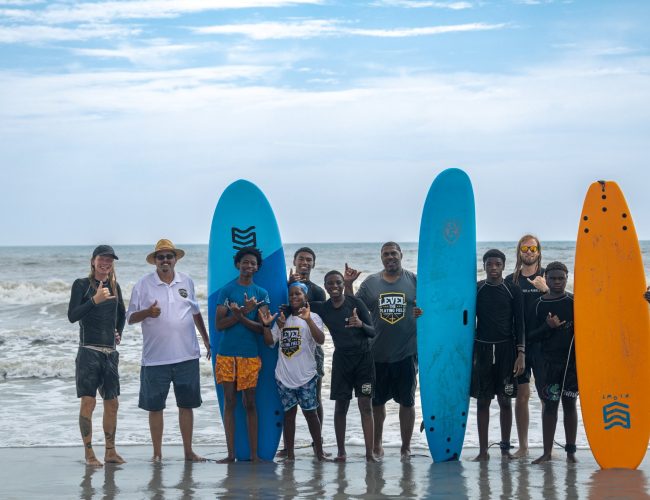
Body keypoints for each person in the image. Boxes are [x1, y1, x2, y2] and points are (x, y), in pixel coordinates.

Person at [126, 239, 210, 462]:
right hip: (155, 359)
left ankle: (188, 452)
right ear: (155, 261)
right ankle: (157, 454)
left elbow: (195, 312)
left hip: (187, 356)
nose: (165, 260)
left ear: (175, 259)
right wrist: (147, 313)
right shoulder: (143, 285)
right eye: (160, 257)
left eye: (169, 256)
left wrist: (207, 340)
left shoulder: (187, 281)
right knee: (156, 408)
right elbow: (130, 318)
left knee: (187, 406)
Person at [344, 242, 421, 461]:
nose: (390, 257)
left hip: (406, 354)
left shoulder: (414, 281)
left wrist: (421, 312)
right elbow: (353, 308)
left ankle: (405, 448)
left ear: (401, 255)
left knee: (407, 403)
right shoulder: (371, 283)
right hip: (376, 354)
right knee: (377, 403)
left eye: (393, 253)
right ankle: (377, 445)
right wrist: (348, 285)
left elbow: (429, 307)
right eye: (386, 254)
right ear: (381, 258)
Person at [68, 244, 126, 467]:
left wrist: (118, 332)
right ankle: (89, 453)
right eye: (102, 259)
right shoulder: (81, 285)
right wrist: (94, 300)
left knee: (112, 404)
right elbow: (73, 316)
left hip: (110, 353)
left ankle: (110, 451)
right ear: (93, 261)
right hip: (88, 351)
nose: (106, 263)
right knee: (89, 402)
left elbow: (121, 313)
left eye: (110, 260)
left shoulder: (115, 286)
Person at [310, 270, 377, 462]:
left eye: (338, 283)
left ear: (342, 284)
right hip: (341, 362)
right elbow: (295, 305)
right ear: (325, 286)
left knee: (366, 405)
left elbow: (372, 332)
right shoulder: (323, 308)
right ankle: (341, 452)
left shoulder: (356, 303)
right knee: (341, 406)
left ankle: (369, 453)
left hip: (364, 360)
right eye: (330, 283)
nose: (334, 286)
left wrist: (360, 324)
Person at [259, 281, 328, 461]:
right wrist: (267, 326)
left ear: (305, 296)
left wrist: (308, 320)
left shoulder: (314, 317)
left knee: (311, 414)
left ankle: (319, 452)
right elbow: (270, 342)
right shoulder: (283, 318)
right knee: (289, 416)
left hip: (306, 375)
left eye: (298, 294)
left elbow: (320, 340)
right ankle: (290, 455)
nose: (294, 297)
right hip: (284, 376)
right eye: (291, 295)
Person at [214, 247, 270, 463]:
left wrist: (242, 313)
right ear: (238, 264)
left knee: (250, 403)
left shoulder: (261, 294)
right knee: (229, 402)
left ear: (257, 267)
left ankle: (254, 455)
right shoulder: (226, 291)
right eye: (245, 262)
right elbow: (219, 325)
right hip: (226, 354)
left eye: (253, 263)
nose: (249, 266)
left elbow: (261, 328)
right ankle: (230, 454)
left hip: (249, 355)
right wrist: (242, 313)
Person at [471, 249, 525, 461]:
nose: (493, 268)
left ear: (503, 266)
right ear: (484, 266)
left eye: (498, 264)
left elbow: (520, 323)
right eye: (489, 264)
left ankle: (504, 449)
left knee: (505, 400)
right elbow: (466, 320)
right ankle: (483, 451)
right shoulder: (477, 289)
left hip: (506, 350)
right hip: (482, 349)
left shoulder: (513, 290)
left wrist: (520, 353)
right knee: (483, 401)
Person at [278, 247, 328, 457]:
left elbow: (321, 318)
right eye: (301, 259)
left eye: (309, 260)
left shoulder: (317, 291)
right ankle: (287, 447)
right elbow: (283, 309)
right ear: (295, 261)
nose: (305, 262)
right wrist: (289, 284)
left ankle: (318, 444)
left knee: (314, 398)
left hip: (311, 345)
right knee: (289, 407)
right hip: (290, 342)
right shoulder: (286, 286)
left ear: (313, 264)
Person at [527, 262, 578, 464]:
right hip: (547, 365)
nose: (557, 282)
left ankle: (571, 452)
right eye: (553, 278)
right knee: (550, 406)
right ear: (545, 278)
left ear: (567, 278)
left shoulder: (575, 302)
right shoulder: (537, 305)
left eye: (561, 278)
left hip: (571, 364)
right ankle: (547, 453)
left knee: (570, 405)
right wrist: (547, 327)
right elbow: (529, 336)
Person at [505, 235, 548, 458]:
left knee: (545, 396)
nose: (529, 252)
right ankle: (523, 446)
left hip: (543, 345)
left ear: (539, 252)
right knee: (522, 395)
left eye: (533, 248)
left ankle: (547, 447)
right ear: (519, 251)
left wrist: (546, 290)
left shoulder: (548, 276)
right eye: (525, 248)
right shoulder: (511, 280)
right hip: (518, 345)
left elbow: (563, 304)